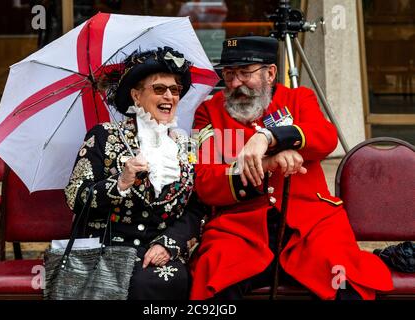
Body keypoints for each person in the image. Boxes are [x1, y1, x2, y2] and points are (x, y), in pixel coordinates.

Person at [189, 36, 394, 300]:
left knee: (345, 282)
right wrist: (264, 165)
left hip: (311, 225)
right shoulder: (207, 112)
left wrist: (269, 137)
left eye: (244, 73)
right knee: (214, 280)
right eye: (229, 74)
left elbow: (326, 137)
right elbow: (205, 181)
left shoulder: (299, 98)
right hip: (239, 229)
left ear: (271, 73)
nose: (235, 83)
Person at [64, 46, 204, 300]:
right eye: (159, 89)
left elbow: (195, 208)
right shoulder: (104, 136)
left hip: (158, 250)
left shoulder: (186, 145)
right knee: (130, 285)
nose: (170, 96)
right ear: (136, 96)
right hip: (107, 249)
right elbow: (75, 197)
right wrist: (120, 183)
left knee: (169, 279)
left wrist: (169, 243)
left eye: (175, 90)